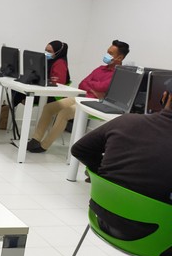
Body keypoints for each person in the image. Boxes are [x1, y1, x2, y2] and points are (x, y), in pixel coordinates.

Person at [71, 80, 172, 239]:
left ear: (165, 96)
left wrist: (105, 172)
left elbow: (79, 149)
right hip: (155, 239)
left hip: (101, 218)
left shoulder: (126, 121)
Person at [27, 39, 130, 153]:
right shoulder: (100, 68)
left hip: (97, 103)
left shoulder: (120, 74)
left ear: (120, 58)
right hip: (84, 97)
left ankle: (44, 146)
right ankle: (35, 140)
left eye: (110, 53)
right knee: (49, 108)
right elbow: (82, 84)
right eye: (107, 52)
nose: (107, 55)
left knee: (65, 112)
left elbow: (101, 87)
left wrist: (93, 86)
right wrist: (95, 88)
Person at [11, 40, 72, 108]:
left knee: (21, 94)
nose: (46, 53)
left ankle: (8, 109)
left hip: (53, 95)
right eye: (46, 50)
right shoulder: (48, 61)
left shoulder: (60, 63)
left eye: (49, 51)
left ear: (57, 52)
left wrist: (46, 80)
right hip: (44, 90)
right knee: (17, 90)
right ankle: (9, 110)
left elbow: (59, 83)